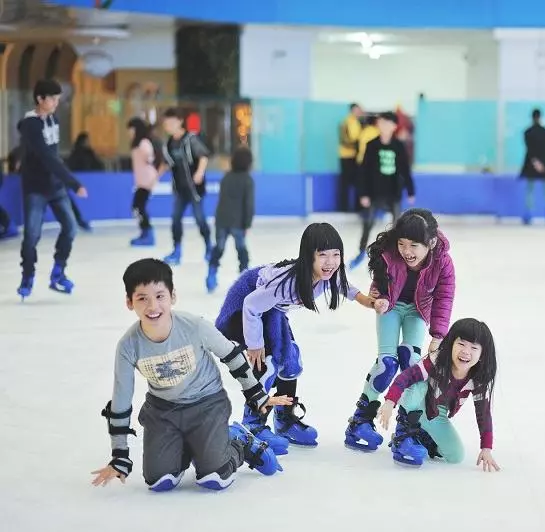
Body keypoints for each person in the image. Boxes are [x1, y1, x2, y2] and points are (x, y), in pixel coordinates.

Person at [90, 259, 291, 491]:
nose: (152, 306)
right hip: (163, 411)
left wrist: (256, 393)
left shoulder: (193, 326)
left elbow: (231, 355)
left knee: (215, 478)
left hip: (207, 404)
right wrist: (120, 455)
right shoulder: (128, 345)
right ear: (129, 302)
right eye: (142, 298)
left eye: (159, 296)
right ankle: (192, 445)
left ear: (172, 296)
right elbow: (121, 400)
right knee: (159, 481)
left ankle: (237, 441)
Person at [215, 223, 375, 452]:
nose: (330, 262)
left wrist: (369, 301)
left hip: (270, 310)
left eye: (335, 254)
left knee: (291, 361)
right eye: (322, 255)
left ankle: (284, 418)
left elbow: (347, 288)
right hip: (243, 307)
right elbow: (251, 305)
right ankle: (253, 424)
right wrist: (255, 343)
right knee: (268, 363)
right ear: (308, 256)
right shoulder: (286, 282)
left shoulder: (327, 275)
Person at [344, 209, 455, 453]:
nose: (407, 251)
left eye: (414, 245)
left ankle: (406, 429)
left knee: (413, 363)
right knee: (387, 364)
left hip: (417, 311)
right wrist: (379, 299)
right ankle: (360, 419)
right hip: (391, 309)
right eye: (402, 244)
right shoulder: (391, 252)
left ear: (431, 243)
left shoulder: (443, 261)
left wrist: (438, 335)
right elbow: (380, 282)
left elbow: (444, 298)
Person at [375, 318, 499, 471]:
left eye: (474, 348)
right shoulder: (436, 360)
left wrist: (486, 448)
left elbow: (483, 413)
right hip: (418, 400)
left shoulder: (478, 378)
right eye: (461, 344)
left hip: (435, 413)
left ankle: (422, 437)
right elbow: (405, 377)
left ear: (482, 354)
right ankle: (404, 431)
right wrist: (390, 401)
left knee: (456, 456)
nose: (466, 351)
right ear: (451, 344)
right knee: (420, 382)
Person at [17, 79, 88, 300]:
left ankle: (58, 272)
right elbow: (46, 157)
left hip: (55, 187)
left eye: (58, 98)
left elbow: (55, 155)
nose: (57, 102)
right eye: (53, 98)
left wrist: (64, 181)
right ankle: (27, 275)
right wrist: (73, 183)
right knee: (32, 236)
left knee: (70, 227)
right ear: (40, 99)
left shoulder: (54, 120)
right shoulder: (31, 125)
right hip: (36, 188)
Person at [349, 111, 415, 269]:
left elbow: (405, 169)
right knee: (368, 223)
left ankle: (396, 255)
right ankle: (360, 253)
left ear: (394, 126)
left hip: (394, 191)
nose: (384, 127)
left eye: (387, 124)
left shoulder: (398, 146)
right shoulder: (372, 145)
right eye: (381, 123)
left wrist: (410, 190)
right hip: (374, 192)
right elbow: (363, 170)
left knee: (397, 225)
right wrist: (363, 193)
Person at [159, 107, 212, 265]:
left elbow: (203, 156)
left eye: (171, 122)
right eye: (166, 123)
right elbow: (168, 163)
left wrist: (200, 173)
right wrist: (155, 176)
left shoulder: (190, 139)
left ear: (179, 122)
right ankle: (177, 251)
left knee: (200, 219)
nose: (167, 126)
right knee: (175, 219)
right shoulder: (168, 143)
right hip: (180, 190)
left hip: (194, 189)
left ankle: (209, 247)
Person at [206, 146, 255, 292]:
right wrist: (247, 224)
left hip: (222, 219)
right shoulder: (248, 180)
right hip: (237, 222)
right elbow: (249, 204)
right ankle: (245, 278)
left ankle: (211, 274)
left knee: (219, 248)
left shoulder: (226, 177)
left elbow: (222, 200)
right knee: (241, 249)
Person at [519, 108, 545, 225]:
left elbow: (530, 149)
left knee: (530, 190)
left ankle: (528, 215)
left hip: (531, 164)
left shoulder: (527, 132)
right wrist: (542, 164)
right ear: (540, 117)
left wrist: (535, 162)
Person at [128, 118, 159, 246]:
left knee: (138, 207)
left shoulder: (144, 143)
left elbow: (151, 159)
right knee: (138, 207)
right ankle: (145, 232)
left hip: (147, 181)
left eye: (130, 129)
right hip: (141, 182)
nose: (129, 132)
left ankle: (148, 234)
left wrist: (153, 178)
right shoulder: (137, 144)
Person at [337, 103, 363, 212]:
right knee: (345, 183)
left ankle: (357, 208)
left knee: (357, 182)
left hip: (356, 157)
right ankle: (343, 208)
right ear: (352, 110)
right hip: (346, 156)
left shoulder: (358, 123)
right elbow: (344, 140)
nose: (359, 112)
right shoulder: (345, 122)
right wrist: (357, 145)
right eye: (357, 110)